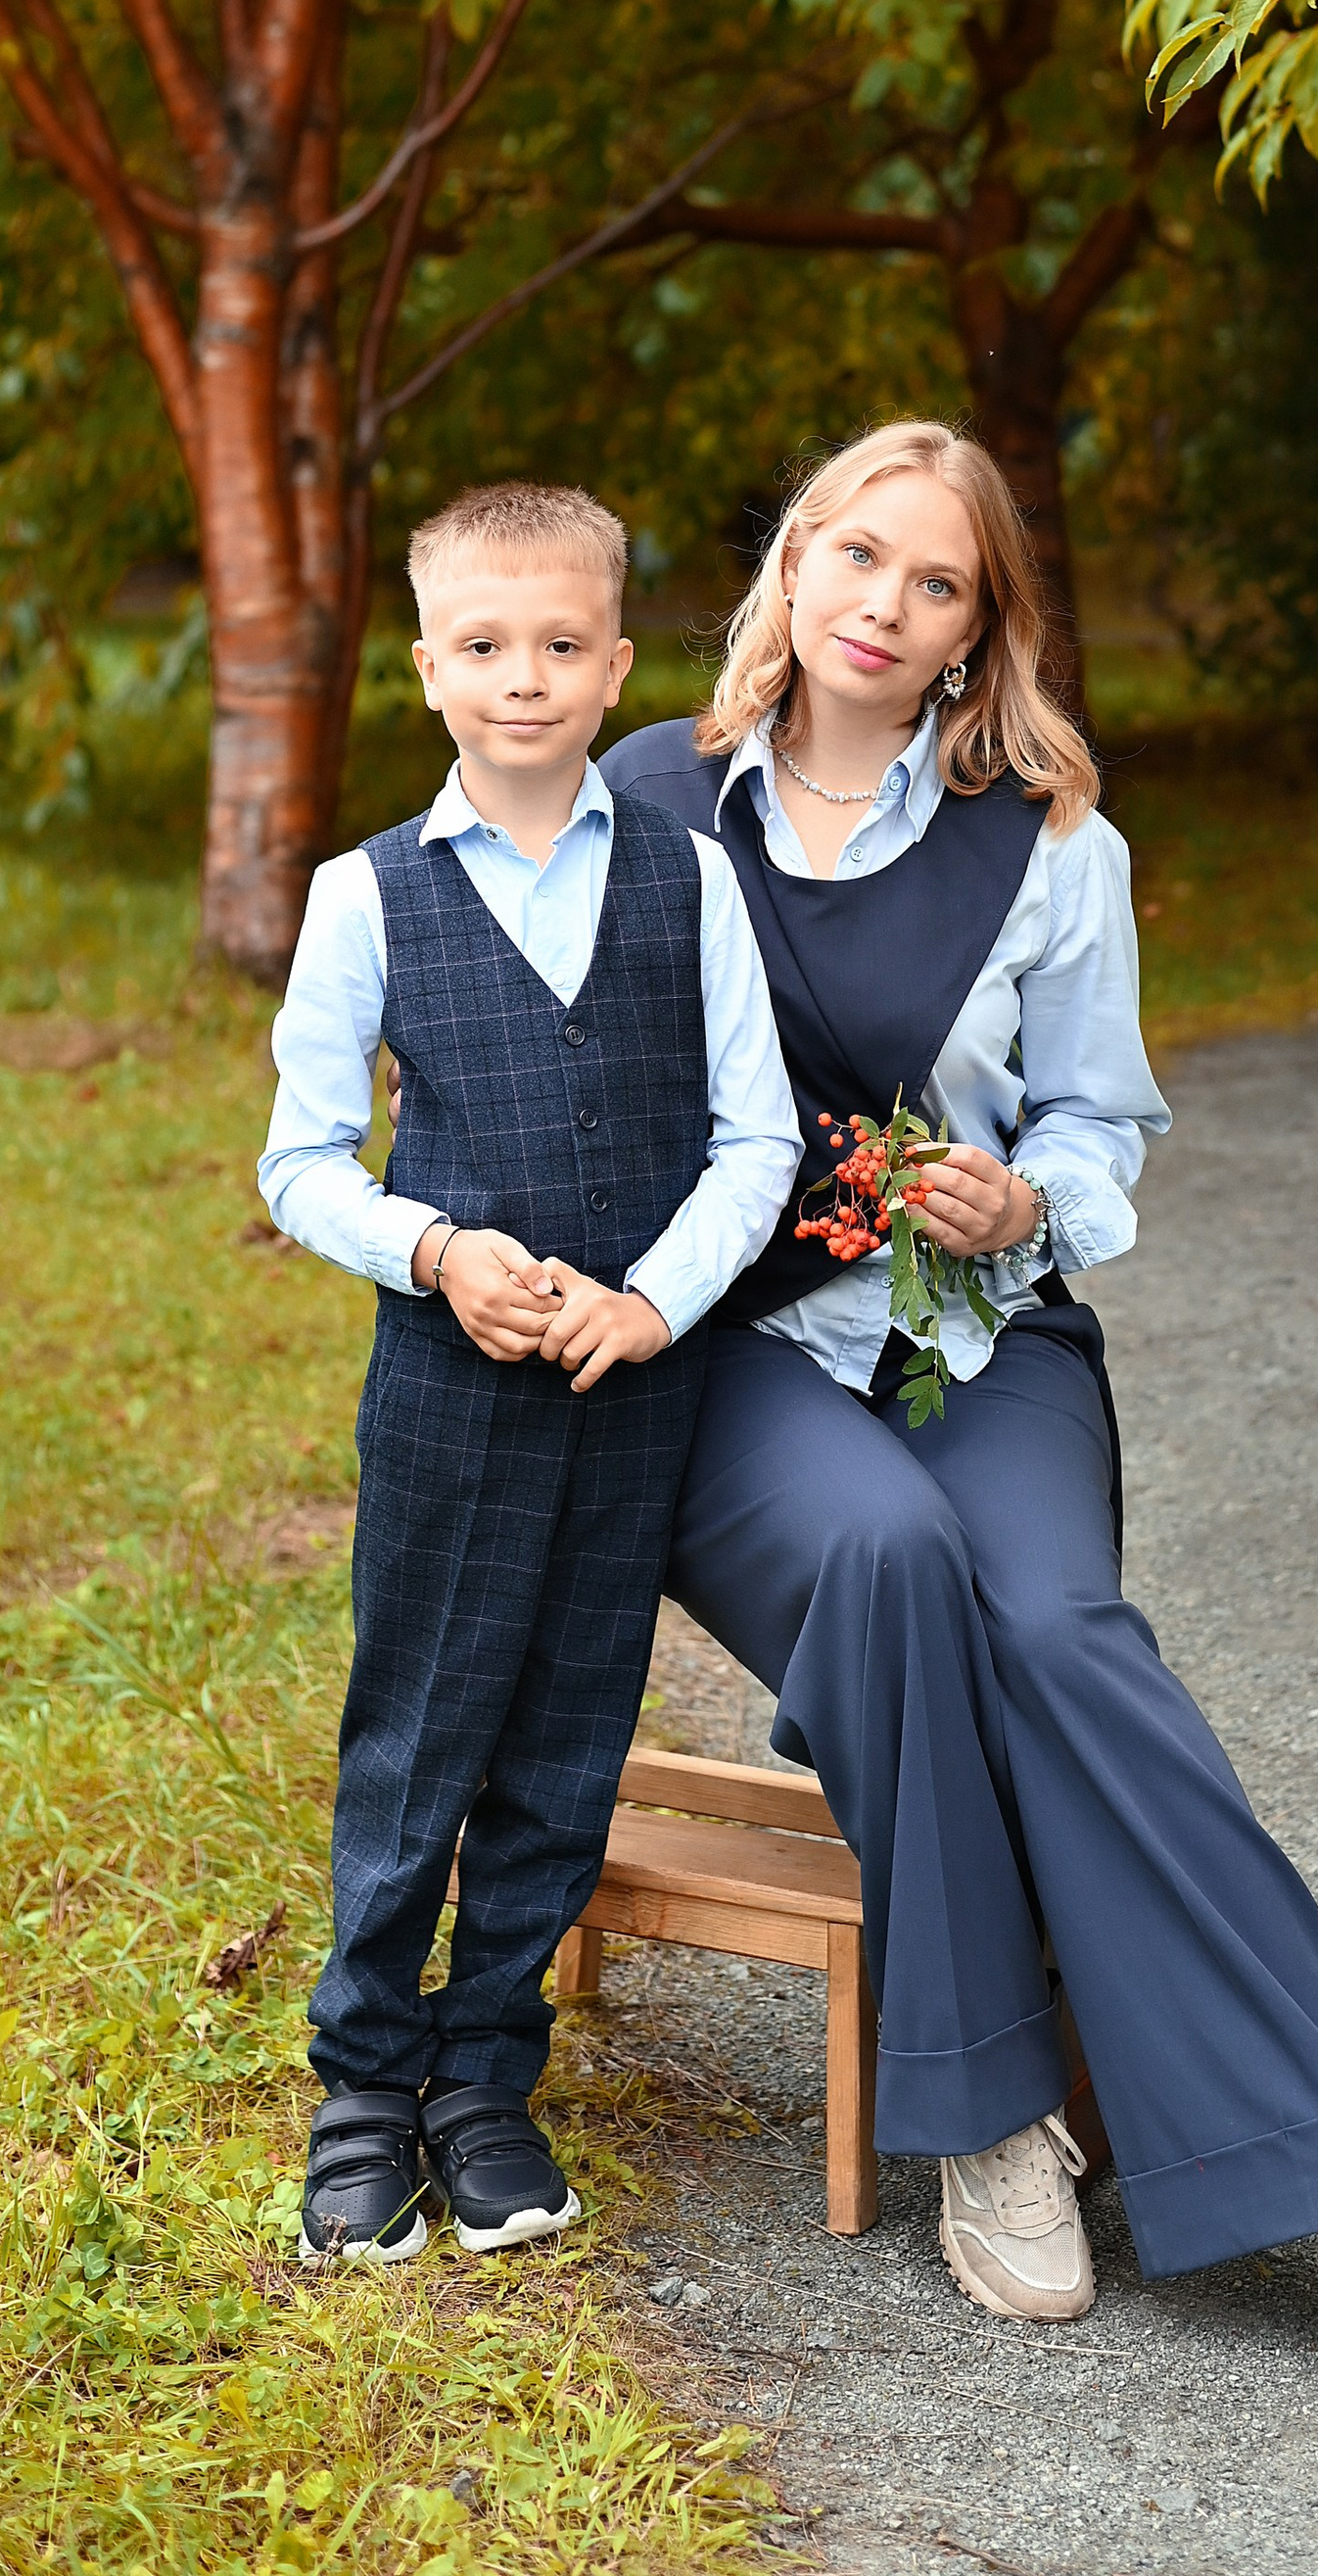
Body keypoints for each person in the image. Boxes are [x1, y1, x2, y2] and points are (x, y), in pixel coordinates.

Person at [593, 420, 1318, 2416]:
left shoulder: (1050, 847)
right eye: (853, 555)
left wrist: (1028, 1196)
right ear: (791, 560)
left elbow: (1101, 1122)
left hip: (974, 1333)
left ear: (976, 629)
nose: (879, 605)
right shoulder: (646, 803)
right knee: (890, 1559)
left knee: (1059, 1631)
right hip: (731, 1355)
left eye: (933, 583)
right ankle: (994, 2108)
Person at [259, 482, 799, 2265]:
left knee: (571, 1737)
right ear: (427, 668)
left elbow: (756, 1141)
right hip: (446, 1392)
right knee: (420, 1732)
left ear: (619, 660)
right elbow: (302, 1161)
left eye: (563, 647)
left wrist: (652, 1302)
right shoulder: (367, 897)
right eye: (485, 648)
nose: (525, 680)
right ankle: (365, 2080)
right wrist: (430, 1248)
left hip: (627, 1391)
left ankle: (489, 2077)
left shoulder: (688, 880)